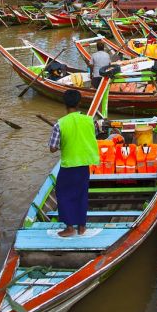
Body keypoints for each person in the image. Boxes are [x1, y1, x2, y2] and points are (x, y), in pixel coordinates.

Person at [49, 89, 100, 237]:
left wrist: (63, 141)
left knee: (64, 195)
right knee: (81, 194)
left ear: (64, 104)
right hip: (84, 165)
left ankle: (70, 227)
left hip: (69, 166)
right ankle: (82, 226)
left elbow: (53, 148)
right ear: (79, 103)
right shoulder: (90, 121)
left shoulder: (60, 124)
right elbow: (92, 135)